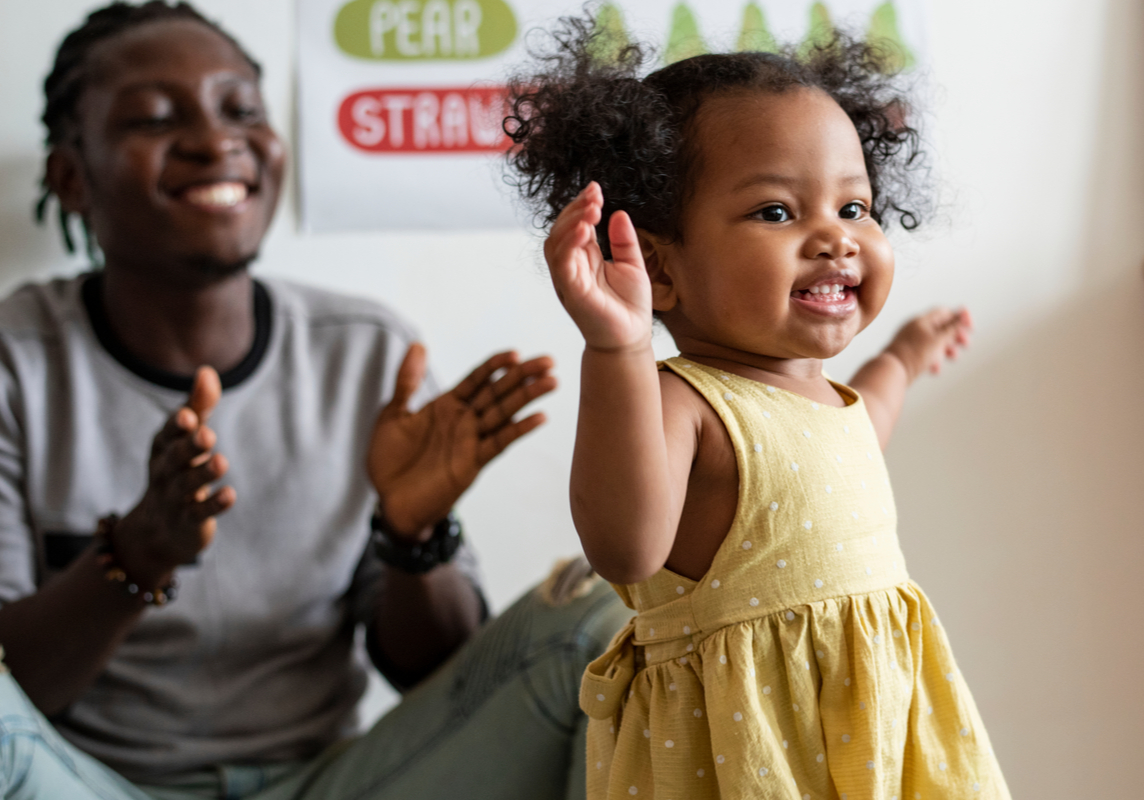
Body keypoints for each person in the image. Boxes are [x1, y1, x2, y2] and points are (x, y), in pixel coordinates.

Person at [0, 2, 630, 799]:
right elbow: (19, 688)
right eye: (156, 119)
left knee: (601, 621)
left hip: (334, 784)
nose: (214, 139)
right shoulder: (16, 362)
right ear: (71, 176)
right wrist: (135, 553)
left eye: (241, 111)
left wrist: (412, 535)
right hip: (86, 784)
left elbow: (442, 681)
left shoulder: (364, 352)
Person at [505, 19, 1012, 800]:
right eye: (777, 213)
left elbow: (854, 438)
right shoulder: (685, 401)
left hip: (874, 746)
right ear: (660, 266)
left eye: (854, 208)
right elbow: (627, 546)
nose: (835, 241)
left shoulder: (821, 396)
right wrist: (619, 349)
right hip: (750, 758)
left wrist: (902, 361)